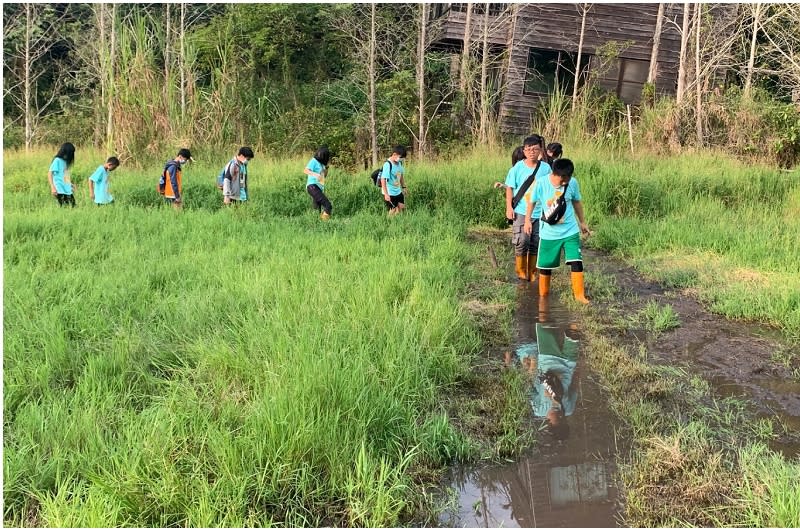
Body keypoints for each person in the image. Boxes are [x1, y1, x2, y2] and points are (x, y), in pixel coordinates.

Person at [524, 158, 591, 304]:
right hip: (548, 233)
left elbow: (577, 202)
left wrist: (582, 222)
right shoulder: (541, 183)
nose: (566, 182)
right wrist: (527, 221)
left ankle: (579, 296)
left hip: (570, 231)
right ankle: (543, 295)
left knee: (576, 261)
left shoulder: (572, 183)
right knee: (545, 266)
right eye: (564, 179)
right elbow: (531, 202)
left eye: (569, 178)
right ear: (556, 174)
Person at [504, 135, 551, 282]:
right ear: (524, 151)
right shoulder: (517, 168)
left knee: (535, 241)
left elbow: (549, 188)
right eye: (529, 149)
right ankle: (521, 270)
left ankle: (532, 271)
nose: (532, 152)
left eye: (535, 149)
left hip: (539, 213)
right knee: (522, 240)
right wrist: (509, 208)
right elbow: (510, 188)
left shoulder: (546, 168)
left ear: (540, 151)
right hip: (521, 211)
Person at [304, 145, 332, 220]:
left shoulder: (322, 164)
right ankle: (325, 223)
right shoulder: (314, 161)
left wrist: (326, 167)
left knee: (317, 210)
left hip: (319, 188)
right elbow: (306, 170)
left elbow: (324, 176)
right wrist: (315, 174)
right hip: (312, 186)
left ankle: (316, 224)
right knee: (328, 205)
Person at [380, 145, 408, 215]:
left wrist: (404, 187)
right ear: (394, 154)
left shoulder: (399, 163)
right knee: (392, 211)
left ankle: (398, 222)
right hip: (390, 192)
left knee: (401, 207)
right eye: (400, 157)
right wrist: (386, 194)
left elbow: (401, 176)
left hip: (397, 191)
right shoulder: (387, 164)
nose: (402, 159)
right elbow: (383, 180)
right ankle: (389, 224)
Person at [48, 142, 76, 207]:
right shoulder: (57, 160)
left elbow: (65, 176)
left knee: (73, 205)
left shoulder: (66, 162)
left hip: (67, 188)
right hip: (59, 188)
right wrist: (52, 187)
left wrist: (70, 184)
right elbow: (50, 173)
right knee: (63, 207)